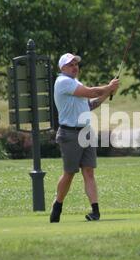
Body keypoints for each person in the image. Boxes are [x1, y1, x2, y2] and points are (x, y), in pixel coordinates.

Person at [50, 53, 119, 223]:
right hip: (69, 133)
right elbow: (91, 92)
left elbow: (90, 104)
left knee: (89, 171)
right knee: (69, 174)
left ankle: (95, 211)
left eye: (76, 64)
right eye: (70, 64)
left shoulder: (75, 83)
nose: (74, 67)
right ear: (62, 68)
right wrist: (108, 87)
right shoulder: (63, 82)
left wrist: (107, 92)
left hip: (86, 132)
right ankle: (57, 205)